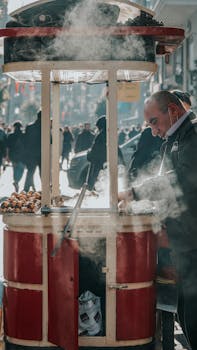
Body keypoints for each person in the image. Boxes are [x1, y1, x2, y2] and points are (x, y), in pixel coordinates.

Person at [118, 90, 197, 350]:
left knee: (192, 316)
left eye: (154, 122)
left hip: (193, 242)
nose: (153, 131)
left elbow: (179, 181)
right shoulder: (178, 137)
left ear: (173, 111)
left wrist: (136, 193)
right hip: (185, 242)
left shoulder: (193, 136)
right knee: (186, 314)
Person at [23, 110, 41, 192]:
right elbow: (50, 140)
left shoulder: (29, 127)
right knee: (43, 173)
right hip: (42, 153)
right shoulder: (45, 127)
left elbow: (25, 140)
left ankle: (26, 189)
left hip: (31, 153)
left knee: (30, 172)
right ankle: (45, 190)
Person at [87, 116, 107, 191]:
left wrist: (89, 154)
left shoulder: (101, 135)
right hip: (104, 164)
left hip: (98, 164)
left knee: (95, 184)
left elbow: (95, 151)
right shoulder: (109, 134)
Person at [7, 120, 25, 192]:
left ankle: (16, 181)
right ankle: (17, 181)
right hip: (22, 156)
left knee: (15, 169)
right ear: (21, 127)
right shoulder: (24, 135)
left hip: (13, 155)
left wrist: (7, 156)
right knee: (21, 170)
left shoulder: (10, 135)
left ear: (14, 127)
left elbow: (8, 147)